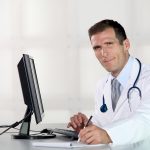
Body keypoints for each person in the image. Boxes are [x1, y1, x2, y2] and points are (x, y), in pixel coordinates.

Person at [67, 19, 150, 145]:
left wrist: (108, 135)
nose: (103, 53)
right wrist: (87, 127)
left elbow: (146, 120)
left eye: (109, 44)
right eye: (97, 47)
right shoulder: (102, 84)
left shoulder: (147, 78)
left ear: (126, 45)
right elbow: (106, 122)